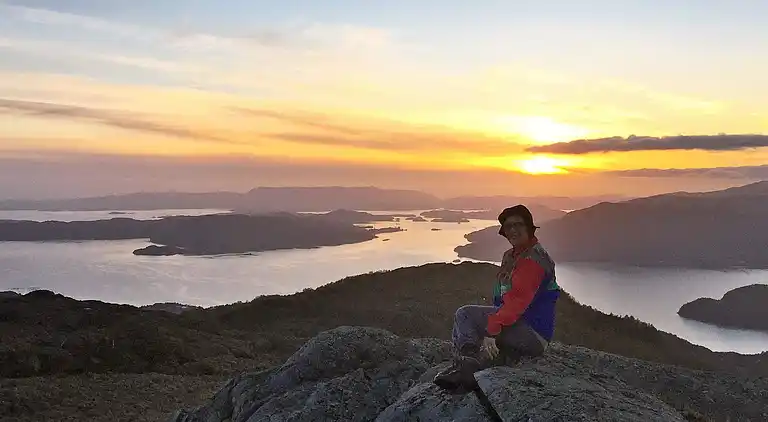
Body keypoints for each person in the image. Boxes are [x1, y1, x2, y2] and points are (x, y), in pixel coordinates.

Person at [433, 204, 561, 391]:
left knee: (465, 315)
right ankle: (466, 366)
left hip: (532, 333)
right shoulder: (511, 256)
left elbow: (517, 302)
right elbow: (503, 298)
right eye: (508, 226)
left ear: (529, 227)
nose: (513, 230)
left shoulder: (534, 260)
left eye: (518, 224)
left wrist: (492, 330)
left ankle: (466, 372)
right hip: (519, 326)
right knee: (471, 325)